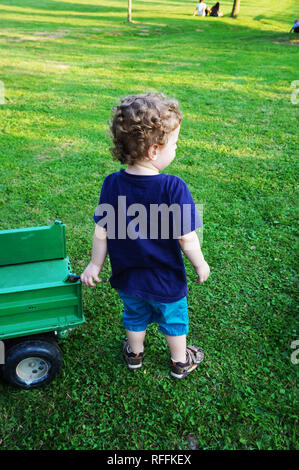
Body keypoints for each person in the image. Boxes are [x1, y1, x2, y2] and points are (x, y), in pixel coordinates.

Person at [80, 92, 210, 380]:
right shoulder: (173, 187)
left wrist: (94, 266)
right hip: (167, 280)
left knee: (135, 315)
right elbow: (186, 238)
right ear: (154, 150)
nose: (176, 149)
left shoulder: (112, 183)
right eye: (174, 144)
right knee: (174, 319)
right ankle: (180, 361)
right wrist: (200, 265)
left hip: (129, 277)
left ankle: (135, 355)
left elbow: (101, 232)